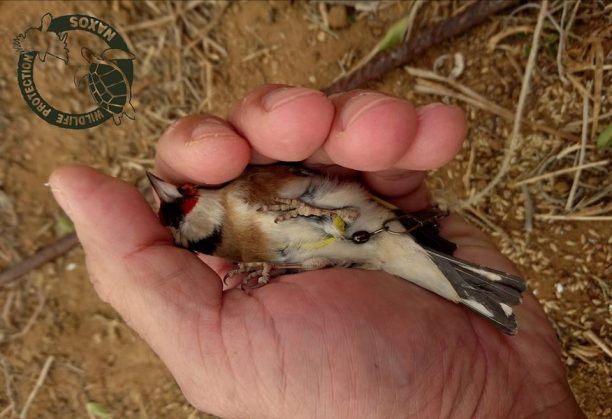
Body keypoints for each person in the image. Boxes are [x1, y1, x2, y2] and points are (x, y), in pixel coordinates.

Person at [49, 86, 583, 418]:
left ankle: (454, 277)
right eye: (179, 208)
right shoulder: (237, 252)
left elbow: (321, 195)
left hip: (371, 228)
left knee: (314, 134)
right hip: (367, 257)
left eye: (184, 195)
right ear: (189, 235)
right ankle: (469, 290)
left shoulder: (236, 185)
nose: (182, 197)